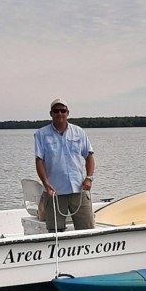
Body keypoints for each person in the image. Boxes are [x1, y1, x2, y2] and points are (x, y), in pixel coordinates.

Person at [34, 98, 95, 231]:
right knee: (55, 231)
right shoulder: (41, 134)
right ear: (51, 114)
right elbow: (39, 161)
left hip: (78, 190)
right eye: (56, 111)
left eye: (63, 110)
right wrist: (45, 184)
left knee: (88, 230)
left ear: (68, 113)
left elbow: (89, 156)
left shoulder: (79, 132)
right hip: (54, 192)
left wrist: (89, 178)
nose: (59, 114)